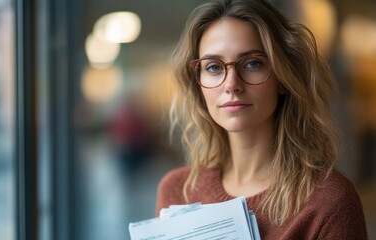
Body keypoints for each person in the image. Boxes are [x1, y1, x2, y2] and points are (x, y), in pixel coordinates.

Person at [156, 0, 368, 239]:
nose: (231, 84)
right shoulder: (177, 190)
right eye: (214, 67)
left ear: (282, 77)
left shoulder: (328, 202)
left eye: (252, 63)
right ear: (198, 83)